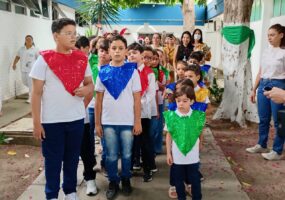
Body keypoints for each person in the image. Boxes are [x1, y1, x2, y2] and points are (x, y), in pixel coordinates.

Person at [30, 18, 94, 200]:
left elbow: (91, 84)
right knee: (53, 162)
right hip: (51, 122)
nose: (73, 37)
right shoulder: (44, 60)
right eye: (68, 33)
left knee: (72, 160)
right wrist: (36, 123)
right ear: (56, 36)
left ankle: (70, 192)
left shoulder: (82, 59)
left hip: (76, 119)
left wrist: (86, 89)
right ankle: (51, 195)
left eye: (75, 33)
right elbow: (36, 94)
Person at [95, 35, 142, 199]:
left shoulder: (133, 72)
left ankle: (126, 179)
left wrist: (137, 121)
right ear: (108, 51)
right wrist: (97, 123)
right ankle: (113, 182)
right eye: (113, 48)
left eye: (120, 48)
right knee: (111, 154)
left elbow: (137, 99)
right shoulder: (103, 72)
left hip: (127, 121)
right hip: (108, 121)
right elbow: (98, 100)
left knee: (128, 154)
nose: (117, 51)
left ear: (126, 51)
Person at [246, 23, 285, 160]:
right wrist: (253, 89)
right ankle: (262, 144)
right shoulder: (266, 50)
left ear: (281, 35)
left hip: (278, 85)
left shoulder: (283, 52)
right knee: (263, 118)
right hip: (263, 84)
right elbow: (260, 72)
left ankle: (277, 150)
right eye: (268, 35)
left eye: (272, 35)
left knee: (279, 120)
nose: (269, 37)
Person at [165, 85, 205, 200]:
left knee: (195, 180)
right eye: (178, 101)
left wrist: (201, 143)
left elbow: (200, 131)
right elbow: (169, 135)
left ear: (192, 101)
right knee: (178, 180)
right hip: (177, 156)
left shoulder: (198, 116)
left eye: (185, 101)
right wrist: (168, 153)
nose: (181, 104)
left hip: (193, 156)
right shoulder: (171, 116)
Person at [75, 36, 98, 196]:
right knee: (69, 151)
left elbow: (91, 88)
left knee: (86, 149)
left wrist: (81, 106)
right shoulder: (55, 62)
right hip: (63, 118)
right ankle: (69, 182)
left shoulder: (84, 63)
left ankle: (90, 178)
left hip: (81, 117)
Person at [12, 35, 39, 103]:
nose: (28, 40)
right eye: (27, 39)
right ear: (25, 41)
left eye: (30, 39)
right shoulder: (21, 49)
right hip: (23, 69)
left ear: (32, 41)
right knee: (24, 82)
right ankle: (34, 88)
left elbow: (39, 59)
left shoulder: (35, 49)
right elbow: (17, 57)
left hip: (31, 70)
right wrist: (14, 64)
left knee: (30, 84)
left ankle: (31, 98)